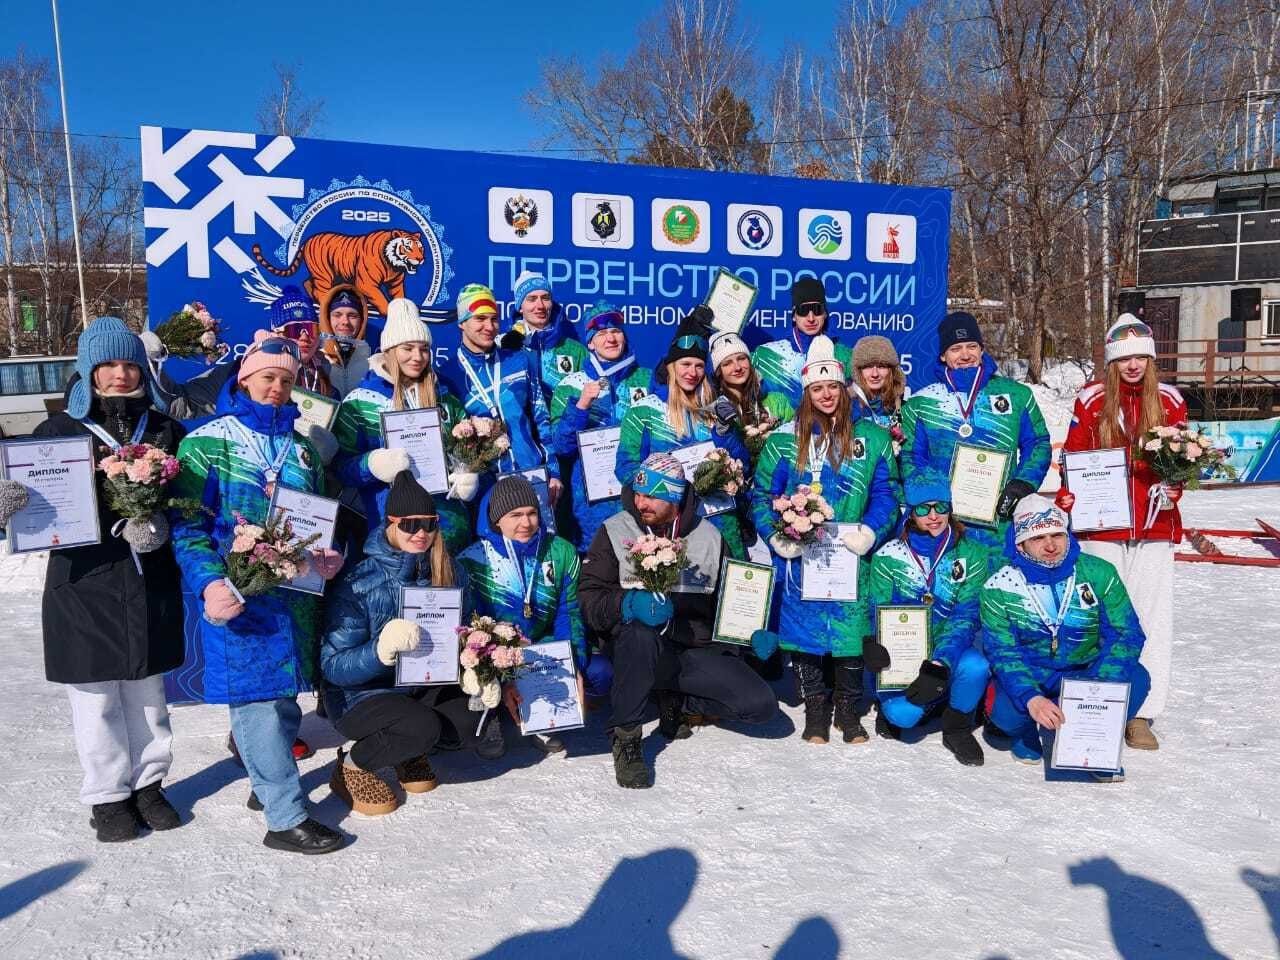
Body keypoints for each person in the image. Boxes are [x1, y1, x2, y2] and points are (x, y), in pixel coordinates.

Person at [171, 332, 346, 854]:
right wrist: (209, 582)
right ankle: (285, 816)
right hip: (240, 594)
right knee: (257, 704)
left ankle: (267, 780)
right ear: (245, 378)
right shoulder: (207, 442)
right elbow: (187, 526)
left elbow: (313, 519)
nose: (276, 387)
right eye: (268, 377)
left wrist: (322, 558)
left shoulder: (301, 449)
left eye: (287, 380)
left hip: (292, 596)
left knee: (285, 696)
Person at [16, 318, 185, 842]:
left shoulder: (163, 429)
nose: (118, 375)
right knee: (95, 698)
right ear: (87, 372)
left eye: (127, 363)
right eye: (106, 365)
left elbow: (192, 502)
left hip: (147, 576)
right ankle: (108, 795)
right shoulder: (56, 432)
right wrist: (9, 508)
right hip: (82, 582)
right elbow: (33, 506)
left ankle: (149, 783)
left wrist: (160, 525)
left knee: (147, 693)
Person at [579, 453, 777, 789]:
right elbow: (589, 598)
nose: (641, 502)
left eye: (652, 496)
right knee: (640, 635)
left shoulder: (709, 537)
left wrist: (750, 635)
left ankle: (675, 700)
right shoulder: (615, 530)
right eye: (638, 494)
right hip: (634, 650)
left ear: (675, 497)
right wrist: (627, 602)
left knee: (760, 706)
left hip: (689, 649)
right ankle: (626, 738)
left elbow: (727, 605)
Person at [752, 335, 899, 744]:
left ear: (843, 387)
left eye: (833, 387)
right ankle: (816, 709)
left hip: (853, 552)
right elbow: (763, 494)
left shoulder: (872, 438)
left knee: (851, 631)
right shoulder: (784, 439)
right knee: (808, 629)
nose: (827, 395)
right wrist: (776, 535)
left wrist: (871, 529)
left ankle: (848, 710)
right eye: (817, 388)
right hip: (806, 554)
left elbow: (888, 492)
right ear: (806, 392)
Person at [1061, 314, 1187, 751]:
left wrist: (1176, 485)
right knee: (1102, 616)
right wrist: (1069, 500)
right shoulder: (1092, 399)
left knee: (1152, 618)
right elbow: (1073, 458)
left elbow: (1183, 456)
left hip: (1154, 526)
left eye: (1140, 357)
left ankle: (1141, 713)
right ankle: (1096, 701)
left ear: (1150, 360)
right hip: (1103, 527)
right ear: (1112, 362)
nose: (1133, 365)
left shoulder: (1170, 400)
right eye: (1124, 358)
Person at [321, 471, 473, 816]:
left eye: (429, 524)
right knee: (421, 726)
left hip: (421, 684)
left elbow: (467, 629)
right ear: (390, 523)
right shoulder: (359, 579)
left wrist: (475, 665)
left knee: (469, 719)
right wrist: (380, 650)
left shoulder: (451, 570)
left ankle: (406, 749)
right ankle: (353, 765)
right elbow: (333, 666)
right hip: (361, 695)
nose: (421, 533)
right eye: (410, 525)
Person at [982, 495, 1150, 776]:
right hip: (1034, 670)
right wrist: (1031, 698)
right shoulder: (999, 586)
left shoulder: (1098, 572)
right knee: (1005, 712)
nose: (1050, 545)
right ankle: (1025, 732)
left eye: (1057, 535)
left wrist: (1099, 690)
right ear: (1020, 543)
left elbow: (1126, 632)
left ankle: (1094, 744)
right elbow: (1003, 651)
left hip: (1087, 667)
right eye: (1038, 538)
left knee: (1137, 679)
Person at [457, 475, 592, 758]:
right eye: (515, 515)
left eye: (532, 513)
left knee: (598, 672)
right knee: (472, 656)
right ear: (497, 520)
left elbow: (569, 612)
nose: (526, 523)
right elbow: (470, 623)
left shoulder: (561, 550)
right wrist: (499, 667)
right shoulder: (473, 559)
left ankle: (541, 717)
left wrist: (573, 661)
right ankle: (489, 713)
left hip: (541, 640)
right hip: (495, 645)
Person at [864, 471, 990, 765]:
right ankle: (927, 701)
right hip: (904, 654)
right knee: (902, 717)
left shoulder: (972, 553)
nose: (933, 516)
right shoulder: (889, 555)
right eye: (923, 509)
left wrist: (940, 662)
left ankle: (957, 725)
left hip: (949, 648)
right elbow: (876, 608)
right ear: (910, 513)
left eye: (940, 507)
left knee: (976, 666)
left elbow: (966, 614)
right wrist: (873, 641)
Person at [900, 311, 1051, 554]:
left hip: (1001, 522)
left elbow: (1039, 443)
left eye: (972, 346)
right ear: (943, 355)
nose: (965, 355)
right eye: (956, 348)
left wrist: (1022, 484)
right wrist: (932, 500)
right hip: (945, 524)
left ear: (982, 350)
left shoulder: (1016, 395)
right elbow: (910, 457)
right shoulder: (922, 403)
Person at [333, 298, 472, 555]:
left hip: (448, 531)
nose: (417, 357)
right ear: (390, 350)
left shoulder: (446, 399)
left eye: (424, 349)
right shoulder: (360, 402)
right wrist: (372, 464)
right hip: (394, 531)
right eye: (408, 348)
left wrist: (468, 475)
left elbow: (466, 451)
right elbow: (340, 469)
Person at [615, 315, 752, 559]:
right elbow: (626, 468)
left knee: (725, 590)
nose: (692, 372)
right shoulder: (644, 410)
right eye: (685, 364)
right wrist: (669, 490)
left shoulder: (716, 406)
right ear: (671, 367)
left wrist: (725, 431)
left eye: (699, 366)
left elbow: (743, 463)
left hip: (719, 517)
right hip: (670, 522)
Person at [443, 283, 561, 505]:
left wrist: (553, 472)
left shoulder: (518, 361)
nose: (489, 326)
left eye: (494, 319)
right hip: (486, 486)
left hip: (531, 474)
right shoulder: (449, 375)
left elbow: (541, 419)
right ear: (462, 322)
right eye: (480, 319)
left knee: (539, 539)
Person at [549, 301, 653, 552]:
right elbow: (561, 446)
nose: (611, 338)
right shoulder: (571, 384)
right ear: (590, 343)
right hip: (589, 503)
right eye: (602, 334)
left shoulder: (647, 379)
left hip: (639, 496)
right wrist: (581, 406)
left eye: (616, 331)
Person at [750, 277, 853, 408]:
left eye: (817, 310)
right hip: (782, 427)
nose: (811, 318)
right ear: (793, 315)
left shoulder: (843, 355)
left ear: (825, 314)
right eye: (803, 311)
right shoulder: (765, 354)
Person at [708, 329, 794, 467]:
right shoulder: (718, 411)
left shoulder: (777, 401)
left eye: (741, 358)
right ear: (719, 372)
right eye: (727, 363)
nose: (737, 367)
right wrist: (724, 430)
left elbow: (795, 444)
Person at [500, 271, 587, 404]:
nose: (540, 306)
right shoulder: (504, 347)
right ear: (520, 307)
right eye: (532, 299)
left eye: (545, 298)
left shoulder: (575, 351)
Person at [848, 335, 906, 437]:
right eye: (868, 366)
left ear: (892, 371)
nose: (875, 374)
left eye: (881, 366)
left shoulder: (904, 408)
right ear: (858, 371)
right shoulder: (847, 408)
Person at [318, 285, 371, 398]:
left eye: (352, 316)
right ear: (327, 319)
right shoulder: (315, 359)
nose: (345, 321)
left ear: (362, 321)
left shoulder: (374, 362)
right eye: (337, 315)